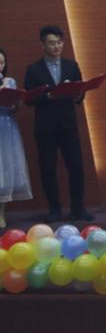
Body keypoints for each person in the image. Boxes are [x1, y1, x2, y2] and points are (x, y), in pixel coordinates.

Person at [23, 25, 91, 223]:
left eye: (59, 42)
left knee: (76, 167)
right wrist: (48, 96)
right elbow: (28, 99)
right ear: (43, 45)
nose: (56, 47)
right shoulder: (33, 69)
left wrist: (78, 95)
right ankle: (54, 210)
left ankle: (78, 208)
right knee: (48, 169)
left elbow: (79, 93)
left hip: (68, 125)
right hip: (45, 127)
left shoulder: (72, 65)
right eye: (52, 43)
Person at [0, 46, 32, 228]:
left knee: (6, 170)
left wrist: (15, 104)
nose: (0, 66)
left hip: (6, 127)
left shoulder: (10, 81)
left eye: (2, 63)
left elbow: (15, 108)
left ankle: (1, 214)